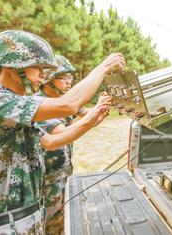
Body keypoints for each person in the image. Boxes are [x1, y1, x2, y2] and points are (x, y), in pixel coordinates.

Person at [0, 30, 124, 234]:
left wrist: (90, 121)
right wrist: (104, 67)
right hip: (5, 225)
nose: (43, 75)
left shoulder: (16, 111)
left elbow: (49, 141)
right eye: (38, 67)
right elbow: (68, 104)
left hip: (28, 219)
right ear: (12, 66)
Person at [36, 54, 101, 234]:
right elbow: (61, 133)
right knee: (49, 224)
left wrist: (102, 106)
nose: (68, 82)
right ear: (48, 80)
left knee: (63, 219)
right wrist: (95, 113)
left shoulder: (64, 102)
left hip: (62, 173)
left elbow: (89, 116)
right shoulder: (39, 105)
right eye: (63, 78)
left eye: (70, 78)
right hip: (45, 180)